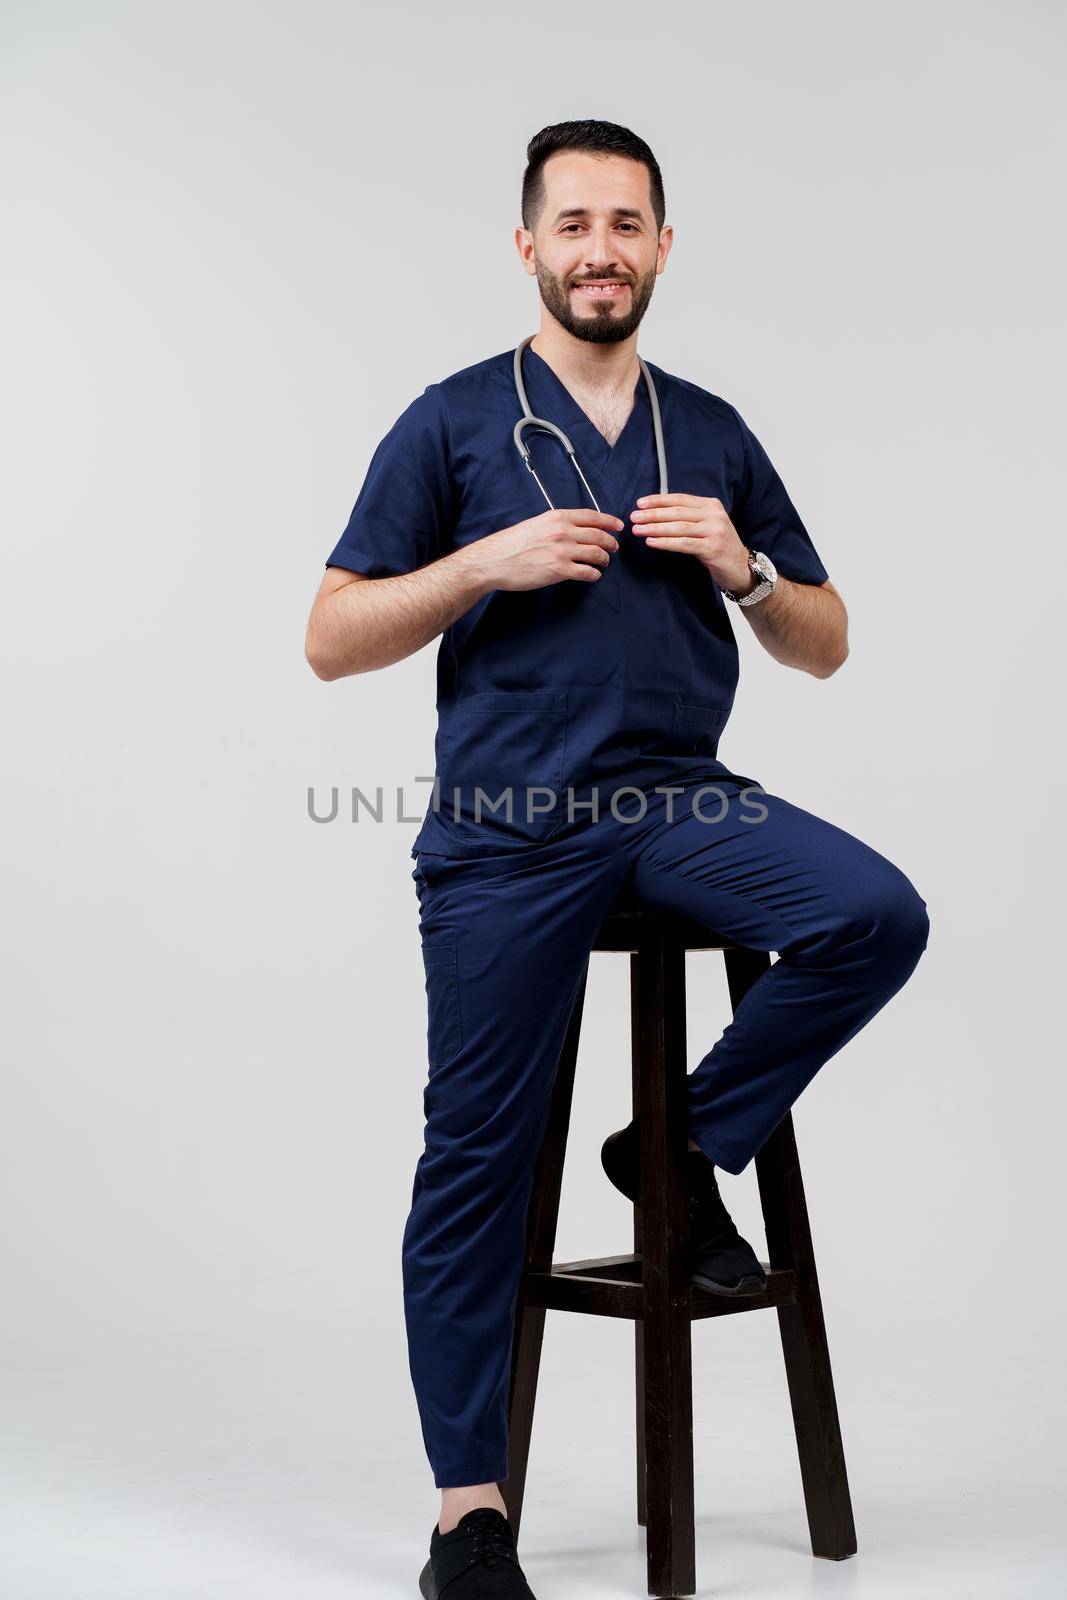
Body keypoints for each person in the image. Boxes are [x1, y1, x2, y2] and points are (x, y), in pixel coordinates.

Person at [305, 119, 930, 1600]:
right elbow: (330, 637)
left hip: (679, 804)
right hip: (508, 835)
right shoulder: (453, 423)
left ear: (663, 244)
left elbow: (826, 644)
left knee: (875, 915)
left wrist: (748, 568)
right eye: (572, 224)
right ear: (528, 247)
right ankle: (470, 1516)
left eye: (627, 223)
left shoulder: (709, 430)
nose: (601, 249)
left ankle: (675, 1147)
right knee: (474, 1160)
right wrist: (478, 568)